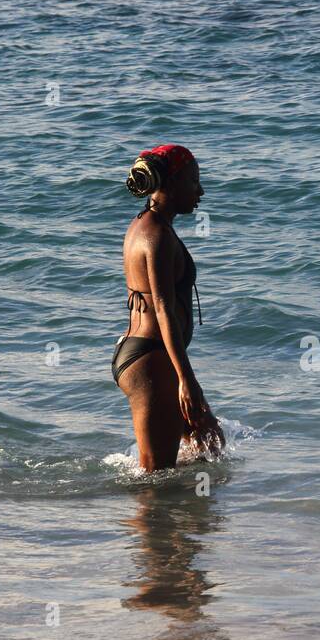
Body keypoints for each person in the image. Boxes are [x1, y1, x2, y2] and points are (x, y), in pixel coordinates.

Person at [111, 143, 223, 470]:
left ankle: (186, 517)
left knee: (209, 443)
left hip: (149, 357)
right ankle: (150, 519)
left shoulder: (148, 225)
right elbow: (163, 311)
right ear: (170, 184)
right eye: (193, 181)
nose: (200, 191)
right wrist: (187, 381)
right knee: (154, 481)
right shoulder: (155, 236)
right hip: (151, 361)